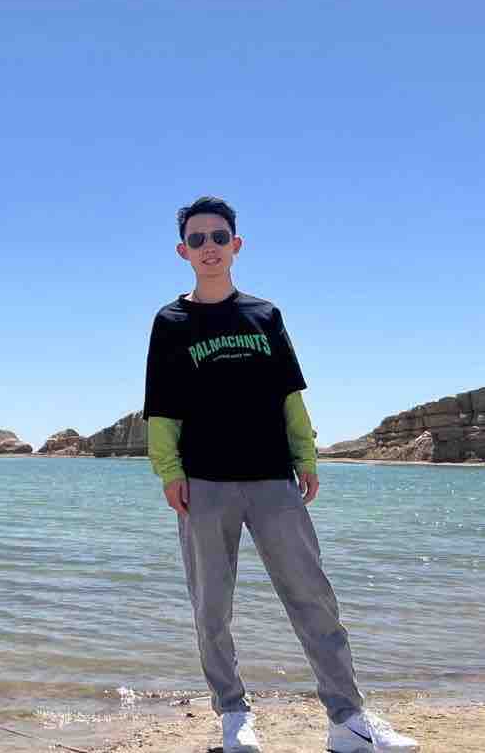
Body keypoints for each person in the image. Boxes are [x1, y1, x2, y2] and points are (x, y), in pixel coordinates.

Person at [143, 196, 418, 753]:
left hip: (273, 481)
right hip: (205, 485)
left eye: (219, 237)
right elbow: (163, 411)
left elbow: (290, 395)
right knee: (212, 608)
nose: (209, 247)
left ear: (236, 245)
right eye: (197, 240)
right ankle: (233, 717)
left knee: (313, 599)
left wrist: (306, 457)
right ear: (182, 252)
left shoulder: (264, 315)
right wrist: (169, 472)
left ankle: (348, 721)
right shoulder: (170, 323)